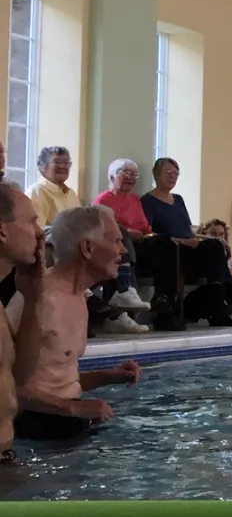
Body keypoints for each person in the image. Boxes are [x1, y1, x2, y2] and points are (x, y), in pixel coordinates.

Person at [10, 206, 141, 440]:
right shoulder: (40, 300)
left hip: (61, 419)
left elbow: (54, 379)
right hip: (34, 429)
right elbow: (6, 386)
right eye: (116, 241)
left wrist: (108, 376)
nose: (122, 250)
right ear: (87, 248)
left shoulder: (78, 295)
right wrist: (75, 408)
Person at [137, 158, 232, 327]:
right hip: (169, 250)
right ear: (156, 175)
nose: (173, 176)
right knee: (168, 248)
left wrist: (216, 240)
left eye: (176, 173)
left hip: (189, 250)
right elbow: (149, 234)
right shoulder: (148, 201)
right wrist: (182, 241)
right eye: (168, 172)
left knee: (214, 246)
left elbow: (189, 230)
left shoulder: (178, 200)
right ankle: (166, 309)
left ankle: (217, 306)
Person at [0, 182, 42, 459]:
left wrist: (33, 298)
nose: (39, 233)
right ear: (2, 230)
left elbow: (19, 377)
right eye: (31, 221)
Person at [88, 159, 154, 332]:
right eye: (124, 173)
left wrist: (143, 235)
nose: (130, 177)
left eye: (134, 174)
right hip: (110, 246)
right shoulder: (102, 200)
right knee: (121, 232)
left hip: (136, 244)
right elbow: (99, 229)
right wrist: (128, 233)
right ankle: (124, 290)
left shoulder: (134, 199)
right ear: (111, 176)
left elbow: (145, 228)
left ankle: (162, 305)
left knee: (163, 244)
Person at [26, 146, 80, 227]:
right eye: (57, 162)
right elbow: (37, 230)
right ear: (44, 166)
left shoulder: (71, 193)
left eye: (66, 162)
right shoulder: (37, 192)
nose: (62, 166)